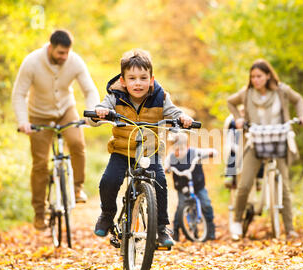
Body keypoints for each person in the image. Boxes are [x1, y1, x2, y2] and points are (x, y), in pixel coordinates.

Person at [89, 49, 194, 247]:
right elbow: (99, 109)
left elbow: (173, 112)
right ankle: (107, 214)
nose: (138, 83)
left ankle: (161, 227)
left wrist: (182, 118)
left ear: (151, 79)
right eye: (132, 78)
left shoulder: (160, 97)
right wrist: (100, 112)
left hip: (149, 151)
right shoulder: (115, 95)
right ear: (123, 80)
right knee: (108, 182)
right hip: (122, 150)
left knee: (160, 182)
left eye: (143, 78)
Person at [12, 30, 99, 230]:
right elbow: (19, 94)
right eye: (60, 53)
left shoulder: (75, 61)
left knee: (77, 144)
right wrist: (23, 121)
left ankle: (77, 188)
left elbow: (90, 90)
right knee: (40, 164)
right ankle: (39, 213)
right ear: (50, 47)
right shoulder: (31, 62)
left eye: (67, 53)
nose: (64, 57)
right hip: (39, 115)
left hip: (66, 111)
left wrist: (90, 113)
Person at [227, 58, 303, 240]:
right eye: (253, 76)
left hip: (279, 140)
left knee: (285, 186)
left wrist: (302, 116)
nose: (255, 80)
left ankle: (289, 229)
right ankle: (237, 222)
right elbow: (230, 102)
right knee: (245, 184)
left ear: (268, 76)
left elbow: (299, 100)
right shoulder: (247, 93)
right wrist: (238, 119)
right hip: (255, 141)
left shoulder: (281, 91)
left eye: (259, 76)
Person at [164, 133, 217, 241]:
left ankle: (211, 229)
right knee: (181, 207)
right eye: (175, 149)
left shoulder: (194, 152)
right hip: (182, 187)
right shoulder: (171, 157)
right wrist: (166, 168)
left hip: (198, 185)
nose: (178, 152)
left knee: (206, 203)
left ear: (187, 147)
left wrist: (211, 153)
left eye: (181, 149)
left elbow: (211, 152)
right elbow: (165, 165)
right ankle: (176, 231)